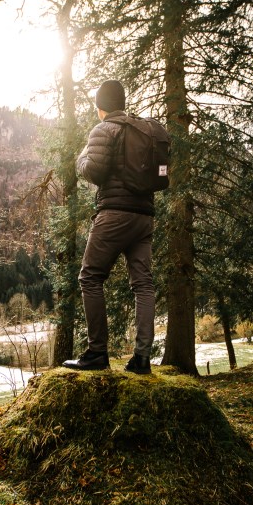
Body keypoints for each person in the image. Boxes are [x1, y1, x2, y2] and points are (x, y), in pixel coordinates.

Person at [62, 80, 155, 374]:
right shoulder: (141, 130)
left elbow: (95, 171)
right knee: (143, 285)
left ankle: (97, 353)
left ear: (100, 107)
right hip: (144, 217)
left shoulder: (104, 128)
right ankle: (141, 359)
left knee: (90, 277)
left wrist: (80, 159)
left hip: (114, 214)